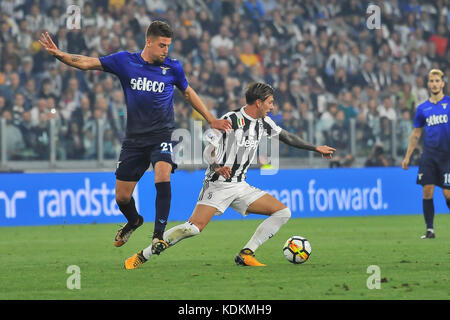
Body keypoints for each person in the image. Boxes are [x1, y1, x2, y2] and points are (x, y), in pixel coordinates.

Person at [39, 21, 231, 253]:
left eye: (168, 45)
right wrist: (60, 54)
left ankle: (158, 236)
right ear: (148, 41)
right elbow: (88, 63)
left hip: (161, 134)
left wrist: (211, 119)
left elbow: (188, 92)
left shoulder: (173, 68)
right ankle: (134, 221)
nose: (166, 50)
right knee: (122, 197)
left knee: (162, 173)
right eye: (162, 45)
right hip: (134, 141)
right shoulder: (125, 61)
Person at [124, 82, 336, 269]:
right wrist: (217, 166)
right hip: (217, 185)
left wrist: (315, 148)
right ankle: (144, 254)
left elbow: (287, 137)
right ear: (259, 102)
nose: (273, 107)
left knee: (282, 212)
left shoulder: (264, 123)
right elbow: (208, 151)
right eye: (270, 102)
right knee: (193, 229)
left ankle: (247, 253)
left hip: (240, 185)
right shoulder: (231, 119)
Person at [401, 69, 450, 239]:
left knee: (448, 194)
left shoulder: (449, 104)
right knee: (427, 191)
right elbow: (416, 134)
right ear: (428, 84)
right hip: (429, 156)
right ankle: (430, 230)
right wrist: (407, 156)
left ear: (442, 83)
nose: (435, 84)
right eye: (432, 81)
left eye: (437, 81)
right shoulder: (422, 108)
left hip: (447, 156)